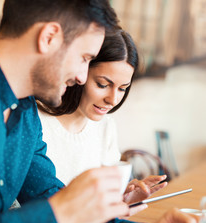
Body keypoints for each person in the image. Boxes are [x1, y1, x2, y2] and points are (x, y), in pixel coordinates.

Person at [0, 0, 199, 223]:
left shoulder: (25, 114)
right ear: (49, 38)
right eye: (85, 58)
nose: (82, 77)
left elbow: (66, 211)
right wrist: (55, 216)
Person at [37, 30, 167, 206]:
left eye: (122, 88)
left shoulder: (106, 127)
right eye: (103, 84)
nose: (112, 100)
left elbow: (99, 204)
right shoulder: (35, 123)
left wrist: (123, 199)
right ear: (80, 71)